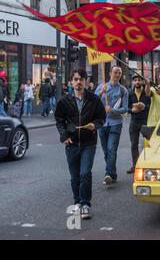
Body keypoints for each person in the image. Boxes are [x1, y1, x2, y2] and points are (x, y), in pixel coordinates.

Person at [55, 68, 106, 220]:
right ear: (71, 82)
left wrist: (94, 125)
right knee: (74, 177)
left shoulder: (94, 99)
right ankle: (77, 202)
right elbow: (59, 120)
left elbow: (101, 118)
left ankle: (85, 204)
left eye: (81, 79)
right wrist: (64, 136)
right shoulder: (64, 101)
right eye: (76, 79)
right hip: (71, 143)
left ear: (86, 81)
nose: (78, 82)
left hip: (88, 142)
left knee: (85, 173)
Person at [95, 66, 129, 186]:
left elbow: (125, 108)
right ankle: (113, 174)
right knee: (106, 152)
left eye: (119, 73)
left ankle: (108, 174)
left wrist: (113, 110)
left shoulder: (123, 90)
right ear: (110, 73)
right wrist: (100, 93)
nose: (117, 75)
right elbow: (93, 103)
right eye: (115, 72)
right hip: (102, 123)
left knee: (111, 149)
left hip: (116, 124)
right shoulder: (101, 87)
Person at [127, 74, 151, 174]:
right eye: (135, 80)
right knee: (134, 144)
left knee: (150, 144)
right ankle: (135, 165)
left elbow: (151, 105)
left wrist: (144, 106)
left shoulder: (146, 93)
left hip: (145, 122)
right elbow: (126, 108)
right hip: (134, 122)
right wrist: (132, 110)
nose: (137, 82)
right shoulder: (130, 94)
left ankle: (150, 164)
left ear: (142, 82)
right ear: (133, 82)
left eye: (139, 80)